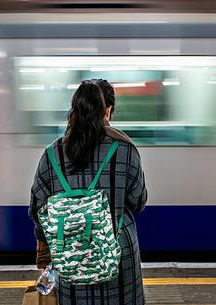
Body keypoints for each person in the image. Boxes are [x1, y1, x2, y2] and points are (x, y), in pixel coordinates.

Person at [29, 79, 147, 305]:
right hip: (119, 262)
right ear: (108, 110)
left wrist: (44, 251)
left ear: (75, 110)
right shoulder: (125, 149)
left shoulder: (52, 155)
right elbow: (139, 201)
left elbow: (37, 210)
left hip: (71, 262)